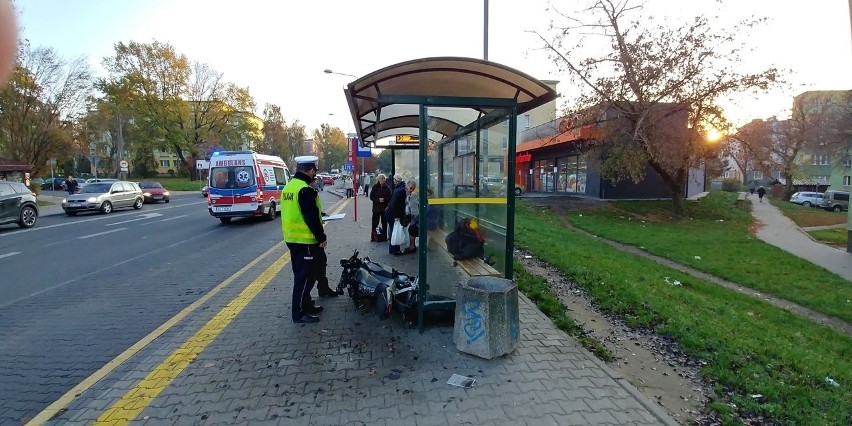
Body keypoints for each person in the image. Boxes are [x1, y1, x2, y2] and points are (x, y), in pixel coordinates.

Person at [280, 155, 327, 324]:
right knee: (304, 278)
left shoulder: (289, 187)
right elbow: (310, 217)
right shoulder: (305, 189)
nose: (314, 174)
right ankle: (298, 313)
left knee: (309, 275)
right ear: (310, 170)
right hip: (305, 241)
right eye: (314, 170)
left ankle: (306, 305)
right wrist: (321, 237)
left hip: (292, 239)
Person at [405, 188, 440, 254]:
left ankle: (412, 247)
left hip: (429, 224)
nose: (426, 196)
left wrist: (415, 221)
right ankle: (414, 246)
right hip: (433, 223)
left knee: (412, 229)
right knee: (413, 225)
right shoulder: (433, 202)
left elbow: (422, 215)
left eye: (427, 195)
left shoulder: (429, 204)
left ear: (431, 195)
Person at [384, 175, 408, 255]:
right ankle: (395, 250)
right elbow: (396, 204)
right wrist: (396, 216)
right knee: (395, 231)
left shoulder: (398, 189)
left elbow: (394, 203)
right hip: (394, 214)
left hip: (391, 213)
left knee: (393, 231)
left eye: (394, 179)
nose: (393, 181)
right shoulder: (401, 189)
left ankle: (393, 249)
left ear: (396, 180)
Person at [369, 174, 391, 242]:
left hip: (384, 208)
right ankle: (373, 236)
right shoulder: (375, 187)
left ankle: (384, 237)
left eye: (384, 178)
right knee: (375, 223)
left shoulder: (387, 187)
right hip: (376, 208)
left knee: (384, 223)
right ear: (378, 179)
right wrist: (378, 200)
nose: (383, 180)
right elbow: (371, 197)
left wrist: (384, 199)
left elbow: (390, 197)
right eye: (382, 178)